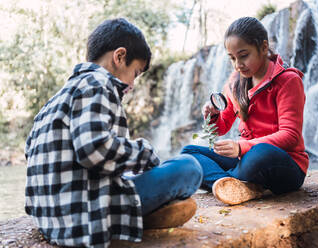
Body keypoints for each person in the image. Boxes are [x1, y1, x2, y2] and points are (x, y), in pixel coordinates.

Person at [24, 18, 202, 248]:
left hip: (50, 221)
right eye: (135, 73)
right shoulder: (99, 83)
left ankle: (136, 215)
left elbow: (32, 153)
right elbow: (93, 149)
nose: (133, 84)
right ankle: (132, 219)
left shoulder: (54, 101)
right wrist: (144, 153)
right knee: (189, 167)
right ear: (119, 57)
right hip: (86, 218)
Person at [181, 17, 308, 205]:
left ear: (264, 47)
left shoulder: (288, 80)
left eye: (243, 55)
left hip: (282, 164)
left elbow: (290, 135)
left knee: (260, 152)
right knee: (189, 153)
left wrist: (241, 147)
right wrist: (213, 116)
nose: (237, 64)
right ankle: (236, 186)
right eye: (232, 58)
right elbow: (222, 127)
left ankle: (223, 181)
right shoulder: (235, 80)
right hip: (246, 159)